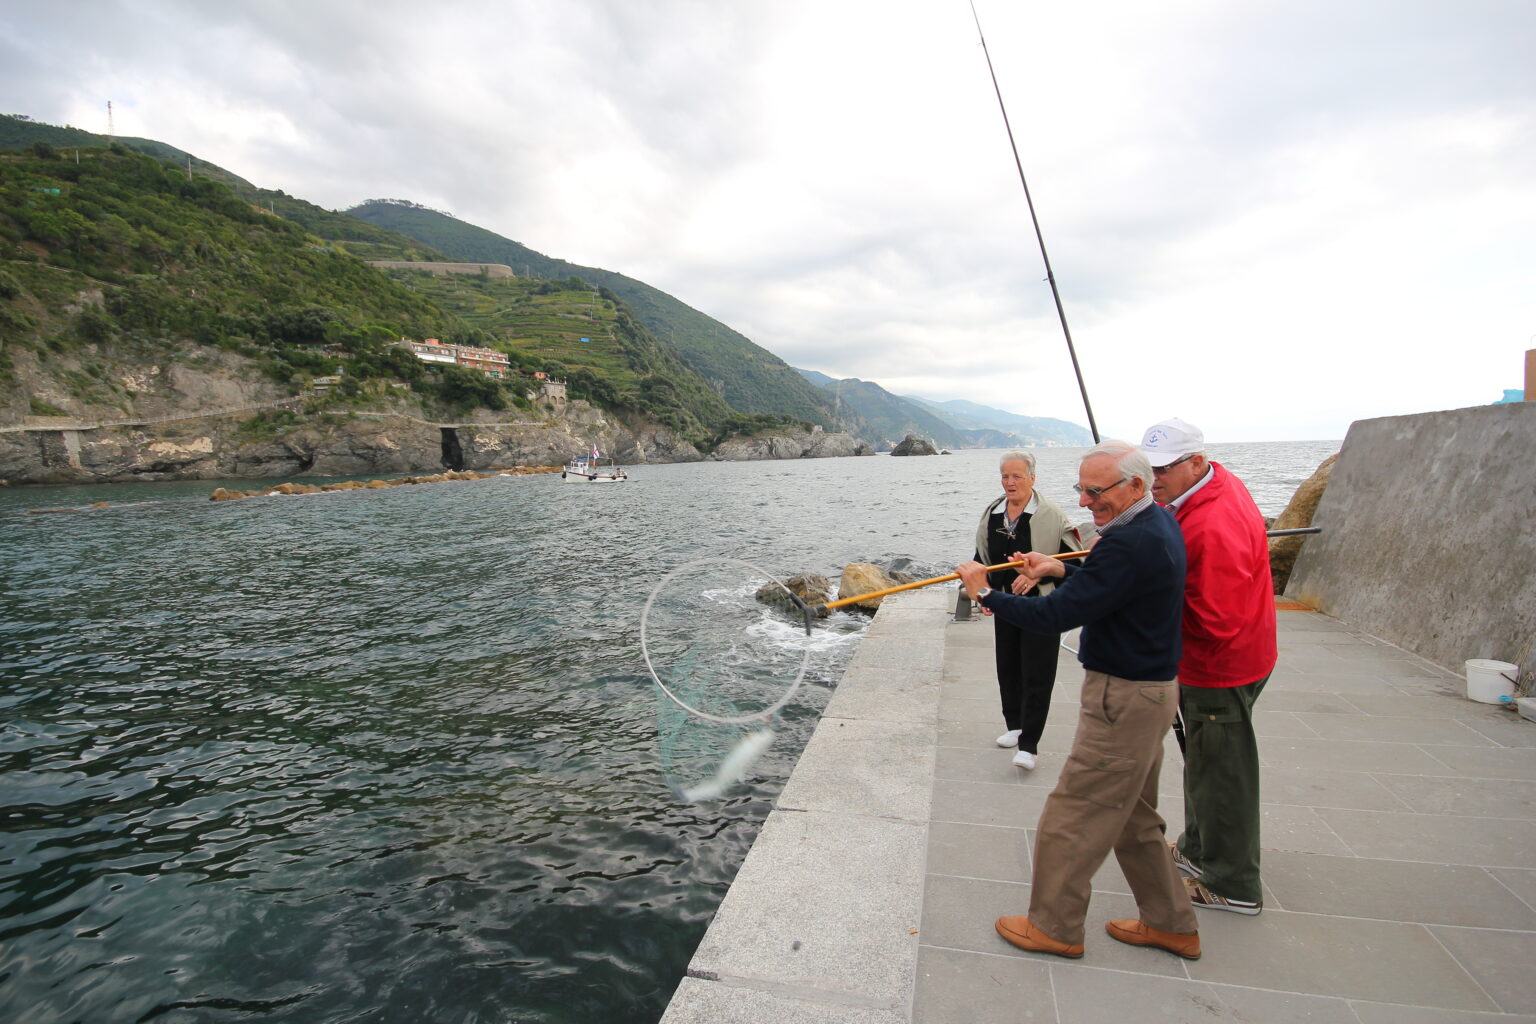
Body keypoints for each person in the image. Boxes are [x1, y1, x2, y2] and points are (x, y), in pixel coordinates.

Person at [956, 440, 1200, 961]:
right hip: (1150, 693)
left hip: (1123, 699)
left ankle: (1054, 926)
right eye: (1081, 491)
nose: (1087, 502)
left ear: (1136, 485)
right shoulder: (1151, 526)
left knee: (1073, 812)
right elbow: (1110, 586)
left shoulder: (1127, 542)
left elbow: (1053, 618)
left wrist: (983, 594)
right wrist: (1058, 568)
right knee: (1133, 815)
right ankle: (1171, 923)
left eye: (1097, 491)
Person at [1140, 417, 1277, 916]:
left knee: (1223, 773)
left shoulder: (1211, 524)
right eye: (1147, 468)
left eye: (1164, 469)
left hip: (1221, 669)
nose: (1153, 479)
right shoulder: (1211, 484)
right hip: (1242, 654)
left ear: (1195, 462)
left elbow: (1212, 622)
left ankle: (1233, 882)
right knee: (1203, 762)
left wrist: (1139, 609)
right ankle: (1200, 851)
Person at [971, 451, 1090, 769]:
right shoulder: (993, 514)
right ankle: (1014, 725)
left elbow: (1073, 564)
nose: (1009, 483)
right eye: (1004, 476)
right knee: (1007, 667)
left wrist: (1037, 575)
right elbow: (982, 558)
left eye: (1016, 477)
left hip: (1042, 606)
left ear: (1032, 479)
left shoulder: (1051, 515)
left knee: (1038, 673)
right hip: (1005, 604)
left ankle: (1030, 744)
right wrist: (986, 592)